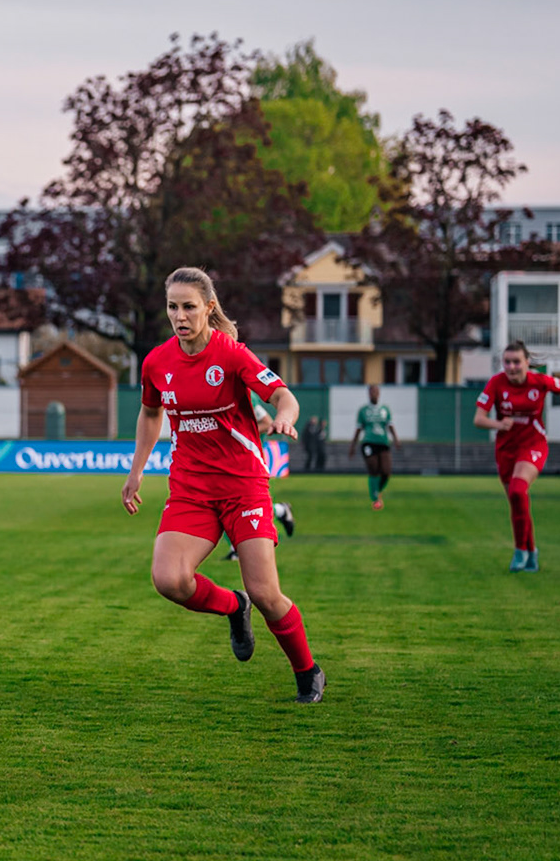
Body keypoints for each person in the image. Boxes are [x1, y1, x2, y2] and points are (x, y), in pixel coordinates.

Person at [121, 266, 325, 704]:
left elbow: (282, 395)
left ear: (208, 308)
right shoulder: (157, 362)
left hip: (243, 486)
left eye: (189, 306)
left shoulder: (231, 355)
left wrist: (285, 418)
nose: (180, 315)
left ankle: (307, 671)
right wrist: (136, 470)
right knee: (169, 579)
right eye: (173, 307)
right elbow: (151, 414)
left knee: (267, 594)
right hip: (191, 488)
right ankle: (234, 608)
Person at [474, 340, 560, 572]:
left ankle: (519, 550)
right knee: (517, 501)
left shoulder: (539, 381)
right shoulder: (496, 383)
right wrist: (499, 424)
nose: (511, 367)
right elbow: (478, 419)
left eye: (516, 362)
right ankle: (531, 553)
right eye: (507, 362)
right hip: (506, 449)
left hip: (534, 444)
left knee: (518, 490)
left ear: (527, 363)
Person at [223, 402, 295, 562]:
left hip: (247, 460)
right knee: (224, 505)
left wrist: (235, 434)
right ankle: (280, 510)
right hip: (227, 459)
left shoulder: (249, 395)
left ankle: (239, 549)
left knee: (243, 508)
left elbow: (267, 422)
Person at [350, 384, 400, 510]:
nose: (374, 393)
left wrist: (396, 439)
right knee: (373, 469)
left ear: (379, 393)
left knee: (386, 472)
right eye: (372, 391)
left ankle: (378, 490)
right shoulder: (363, 410)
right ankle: (375, 499)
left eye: (376, 391)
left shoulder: (385, 409)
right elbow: (358, 429)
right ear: (368, 393)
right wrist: (352, 446)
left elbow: (390, 425)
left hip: (383, 442)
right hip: (368, 442)